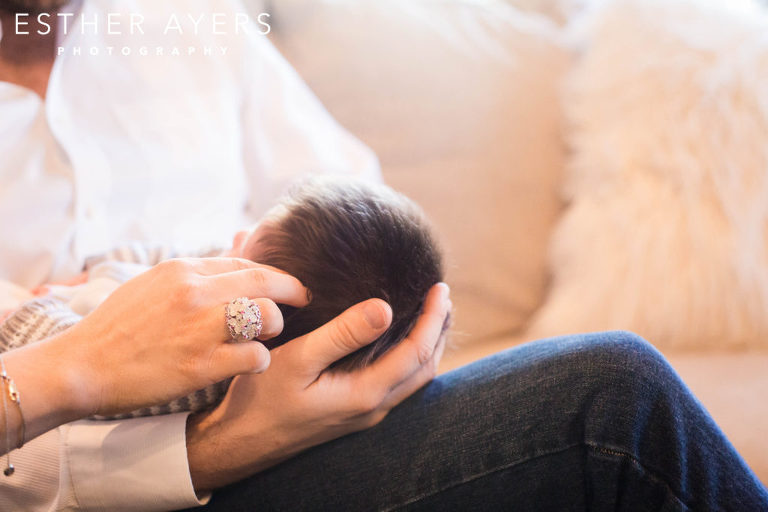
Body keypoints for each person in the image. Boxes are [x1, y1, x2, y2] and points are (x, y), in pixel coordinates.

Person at [0, 2, 766, 512]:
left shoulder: (181, 21)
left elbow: (350, 201)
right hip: (101, 483)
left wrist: (382, 349)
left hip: (313, 411)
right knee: (614, 399)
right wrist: (209, 451)